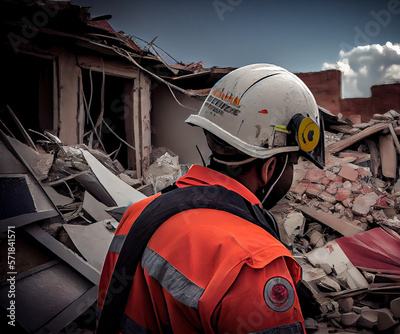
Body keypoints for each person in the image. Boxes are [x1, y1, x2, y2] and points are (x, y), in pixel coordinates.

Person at [96, 63, 325, 333]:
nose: (291, 173)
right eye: (293, 163)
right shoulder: (254, 261)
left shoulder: (139, 212)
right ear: (269, 168)